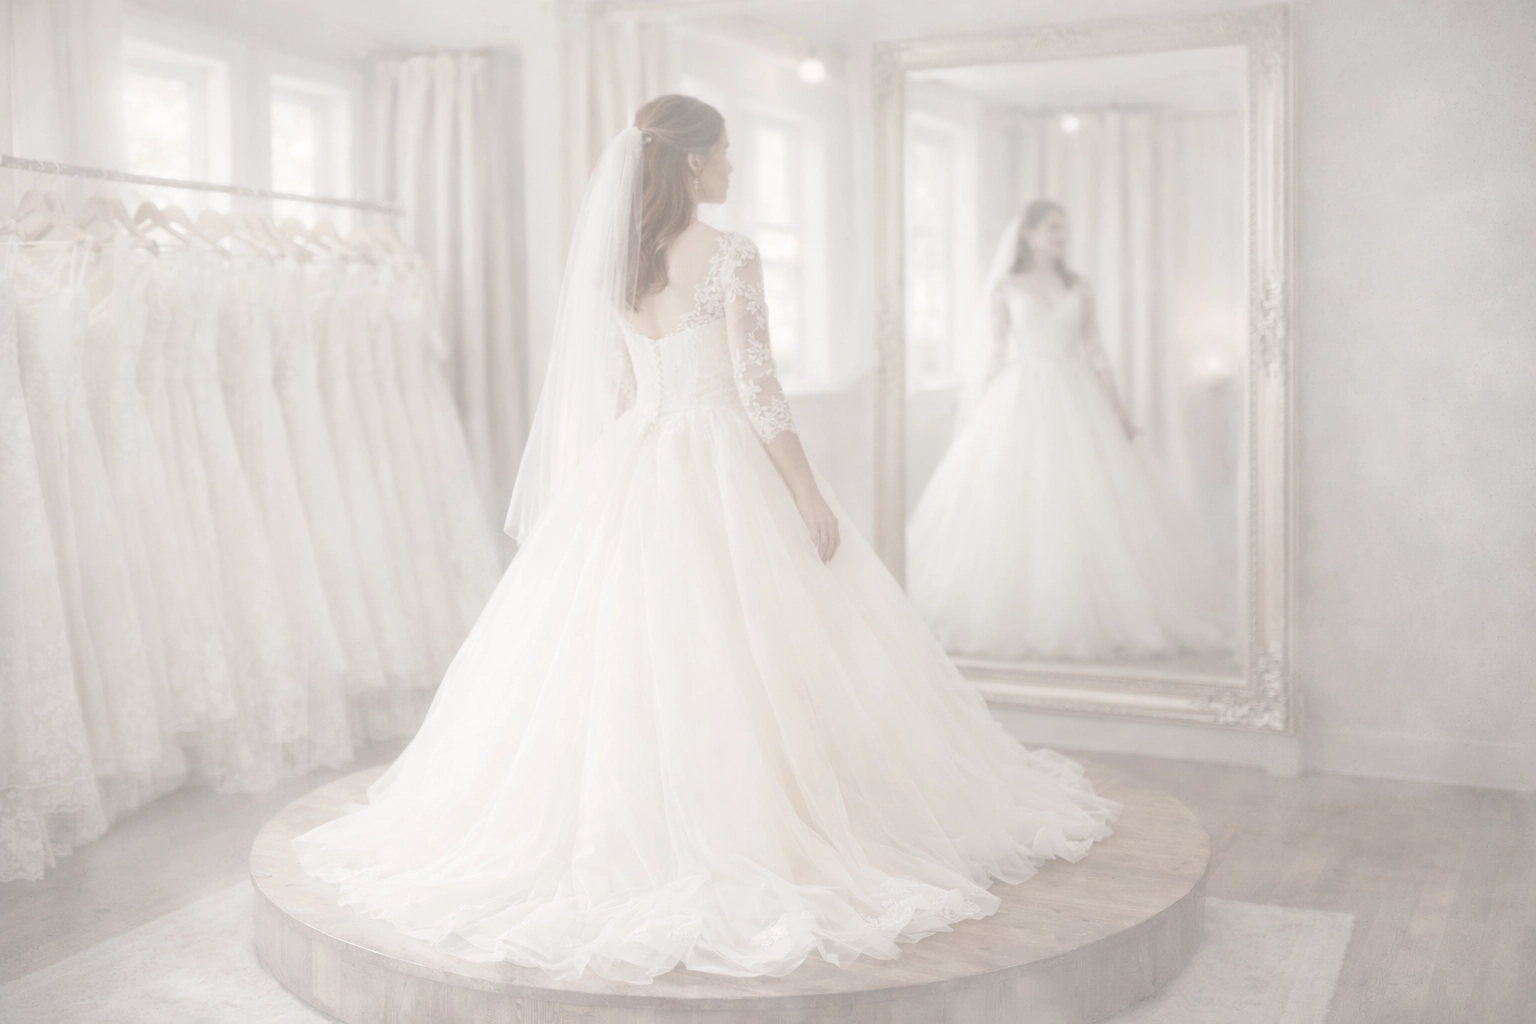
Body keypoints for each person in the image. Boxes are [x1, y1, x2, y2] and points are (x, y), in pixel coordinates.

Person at [293, 97, 1119, 985]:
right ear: (691, 165)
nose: (735, 166)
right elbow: (759, 391)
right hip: (719, 458)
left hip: (636, 461)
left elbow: (614, 393)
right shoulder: (730, 254)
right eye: (725, 153)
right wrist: (806, 494)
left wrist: (596, 494)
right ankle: (758, 827)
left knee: (636, 662)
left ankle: (649, 822)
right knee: (749, 651)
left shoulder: (619, 261)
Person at [907, 200, 1231, 661]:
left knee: (1088, 502)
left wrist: (1119, 411)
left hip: (1075, 393)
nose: (1062, 236)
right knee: (1020, 501)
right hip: (1020, 394)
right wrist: (979, 408)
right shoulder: (1007, 285)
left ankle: (1099, 609)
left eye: (1065, 229)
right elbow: (996, 351)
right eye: (1054, 228)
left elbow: (1096, 352)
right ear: (1029, 234)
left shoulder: (1079, 286)